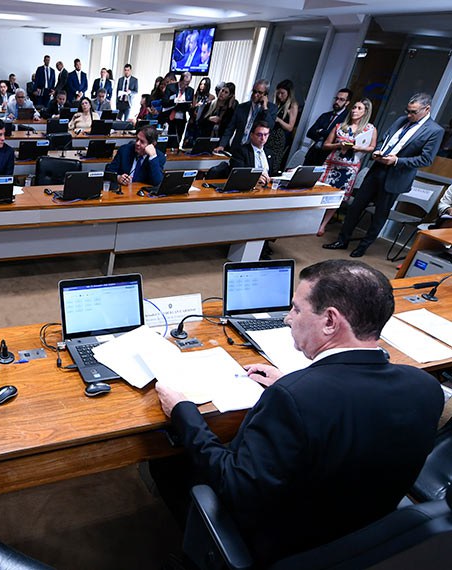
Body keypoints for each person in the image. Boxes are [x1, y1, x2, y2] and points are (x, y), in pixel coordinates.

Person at [153, 259, 443, 567]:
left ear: (330, 321)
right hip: (367, 532)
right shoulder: (426, 387)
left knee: (167, 465)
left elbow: (235, 486)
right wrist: (293, 384)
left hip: (285, 544)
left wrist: (183, 412)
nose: (287, 319)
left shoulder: (293, 399)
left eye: (296, 309)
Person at [324, 92, 444, 257]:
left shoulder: (434, 130)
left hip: (396, 175)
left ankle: (363, 247)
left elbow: (426, 159)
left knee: (380, 215)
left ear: (427, 109)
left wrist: (397, 161)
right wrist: (377, 150)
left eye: (413, 112)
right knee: (355, 207)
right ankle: (342, 240)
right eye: (407, 111)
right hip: (377, 169)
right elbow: (384, 140)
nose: (408, 115)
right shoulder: (401, 120)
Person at [316, 99, 377, 236]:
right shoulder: (340, 126)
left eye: (359, 108)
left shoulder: (370, 129)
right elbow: (326, 145)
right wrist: (339, 145)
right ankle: (313, 221)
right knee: (321, 193)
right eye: (354, 107)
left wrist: (359, 148)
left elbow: (372, 148)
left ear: (365, 112)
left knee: (337, 197)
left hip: (350, 168)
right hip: (332, 165)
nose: (354, 110)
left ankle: (323, 225)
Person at [217, 79, 277, 152]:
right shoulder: (241, 107)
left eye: (260, 93)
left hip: (254, 150)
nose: (255, 95)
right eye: (254, 91)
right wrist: (222, 145)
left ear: (265, 94)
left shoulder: (271, 108)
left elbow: (270, 126)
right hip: (237, 148)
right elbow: (230, 128)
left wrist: (265, 108)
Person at [303, 89, 352, 166]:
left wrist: (320, 131)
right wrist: (328, 135)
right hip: (313, 155)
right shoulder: (325, 116)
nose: (337, 102)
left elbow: (338, 138)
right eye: (336, 98)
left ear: (347, 102)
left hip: (329, 158)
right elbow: (310, 133)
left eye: (341, 99)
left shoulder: (347, 120)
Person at [266, 79, 300, 175]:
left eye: (282, 93)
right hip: (270, 135)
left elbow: (290, 127)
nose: (279, 96)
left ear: (289, 93)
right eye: (278, 93)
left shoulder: (293, 105)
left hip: (280, 138)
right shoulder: (278, 104)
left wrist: (278, 120)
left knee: (274, 162)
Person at [228, 120, 273, 187]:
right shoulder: (241, 151)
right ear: (251, 135)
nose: (263, 138)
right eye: (259, 135)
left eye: (265, 135)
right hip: (248, 187)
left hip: (267, 187)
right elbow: (238, 174)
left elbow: (274, 173)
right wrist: (254, 178)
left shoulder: (269, 153)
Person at [161, 71, 194, 137]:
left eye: (188, 83)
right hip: (170, 116)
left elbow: (190, 104)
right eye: (185, 83)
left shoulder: (190, 90)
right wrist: (175, 101)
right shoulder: (170, 87)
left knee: (178, 138)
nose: (186, 86)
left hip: (181, 118)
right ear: (180, 80)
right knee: (168, 138)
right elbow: (164, 102)